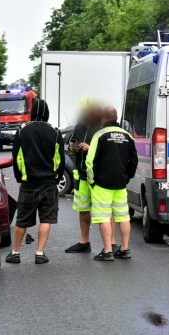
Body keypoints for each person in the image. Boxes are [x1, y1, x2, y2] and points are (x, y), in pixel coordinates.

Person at [6, 98, 64, 265]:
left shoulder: (22, 130)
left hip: (28, 183)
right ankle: (39, 253)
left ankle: (15, 253)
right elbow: (59, 159)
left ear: (32, 112)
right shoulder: (55, 131)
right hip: (49, 183)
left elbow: (17, 157)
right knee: (46, 219)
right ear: (47, 113)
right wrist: (57, 178)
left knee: (22, 220)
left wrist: (19, 178)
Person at [86, 106, 139, 262]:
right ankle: (124, 249)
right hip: (120, 184)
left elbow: (90, 161)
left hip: (102, 184)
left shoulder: (100, 135)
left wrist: (92, 180)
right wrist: (127, 177)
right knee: (123, 217)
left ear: (103, 119)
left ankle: (108, 251)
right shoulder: (128, 136)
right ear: (115, 118)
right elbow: (133, 160)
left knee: (104, 217)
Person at [65, 95, 102, 254]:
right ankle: (84, 241)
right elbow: (71, 142)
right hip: (81, 174)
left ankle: (111, 244)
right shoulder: (79, 126)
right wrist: (73, 147)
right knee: (83, 208)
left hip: (99, 174)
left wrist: (91, 146)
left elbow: (109, 148)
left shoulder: (102, 126)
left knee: (104, 211)